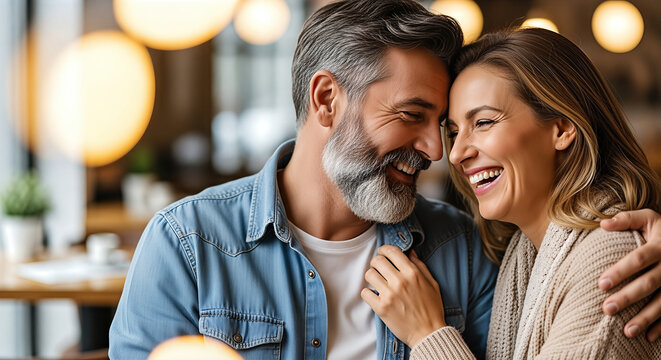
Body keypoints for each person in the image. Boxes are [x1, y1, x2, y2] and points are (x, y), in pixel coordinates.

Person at [109, 2, 661, 359]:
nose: (437, 149)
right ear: (326, 99)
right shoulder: (188, 245)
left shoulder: (463, 250)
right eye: (413, 115)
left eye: (464, 123)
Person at [362, 28, 661, 359]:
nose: (457, 153)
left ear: (561, 128)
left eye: (485, 122)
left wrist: (427, 333)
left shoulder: (612, 260)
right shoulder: (522, 255)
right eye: (454, 132)